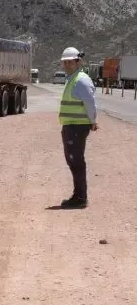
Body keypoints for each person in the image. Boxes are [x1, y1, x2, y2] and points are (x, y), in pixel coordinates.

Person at [57, 46, 98, 209]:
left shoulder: (80, 80)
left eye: (70, 62)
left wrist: (93, 120)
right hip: (71, 127)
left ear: (78, 62)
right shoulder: (72, 78)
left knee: (76, 162)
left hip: (77, 127)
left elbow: (90, 102)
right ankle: (78, 195)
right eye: (64, 63)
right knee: (73, 161)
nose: (67, 65)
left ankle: (80, 198)